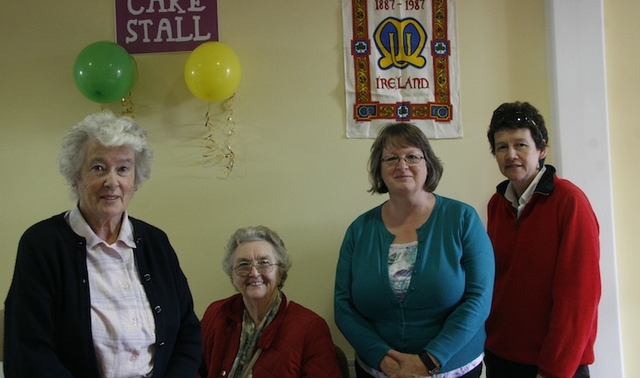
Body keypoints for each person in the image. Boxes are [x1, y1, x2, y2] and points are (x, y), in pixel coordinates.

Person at [4, 111, 202, 377]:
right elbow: (29, 351)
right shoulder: (42, 244)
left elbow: (187, 333)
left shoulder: (156, 243)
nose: (112, 181)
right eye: (98, 168)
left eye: (123, 169)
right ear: (76, 176)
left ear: (135, 179)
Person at [335, 122, 495, 378]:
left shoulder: (463, 219)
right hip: (379, 370)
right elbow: (343, 305)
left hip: (452, 369)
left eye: (412, 156)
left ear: (428, 164)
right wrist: (382, 359)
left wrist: (429, 360)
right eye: (391, 158)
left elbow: (479, 299)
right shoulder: (359, 230)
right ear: (379, 168)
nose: (402, 165)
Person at [484, 102, 601, 378]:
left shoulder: (569, 201)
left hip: (553, 366)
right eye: (502, 147)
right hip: (501, 359)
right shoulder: (496, 204)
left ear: (541, 149)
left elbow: (579, 297)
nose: (511, 154)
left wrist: (554, 370)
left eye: (520, 145)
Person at [198, 226, 343, 378]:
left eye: (264, 263)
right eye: (243, 265)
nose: (254, 273)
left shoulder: (310, 328)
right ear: (233, 276)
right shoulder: (216, 314)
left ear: (280, 273)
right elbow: (192, 367)